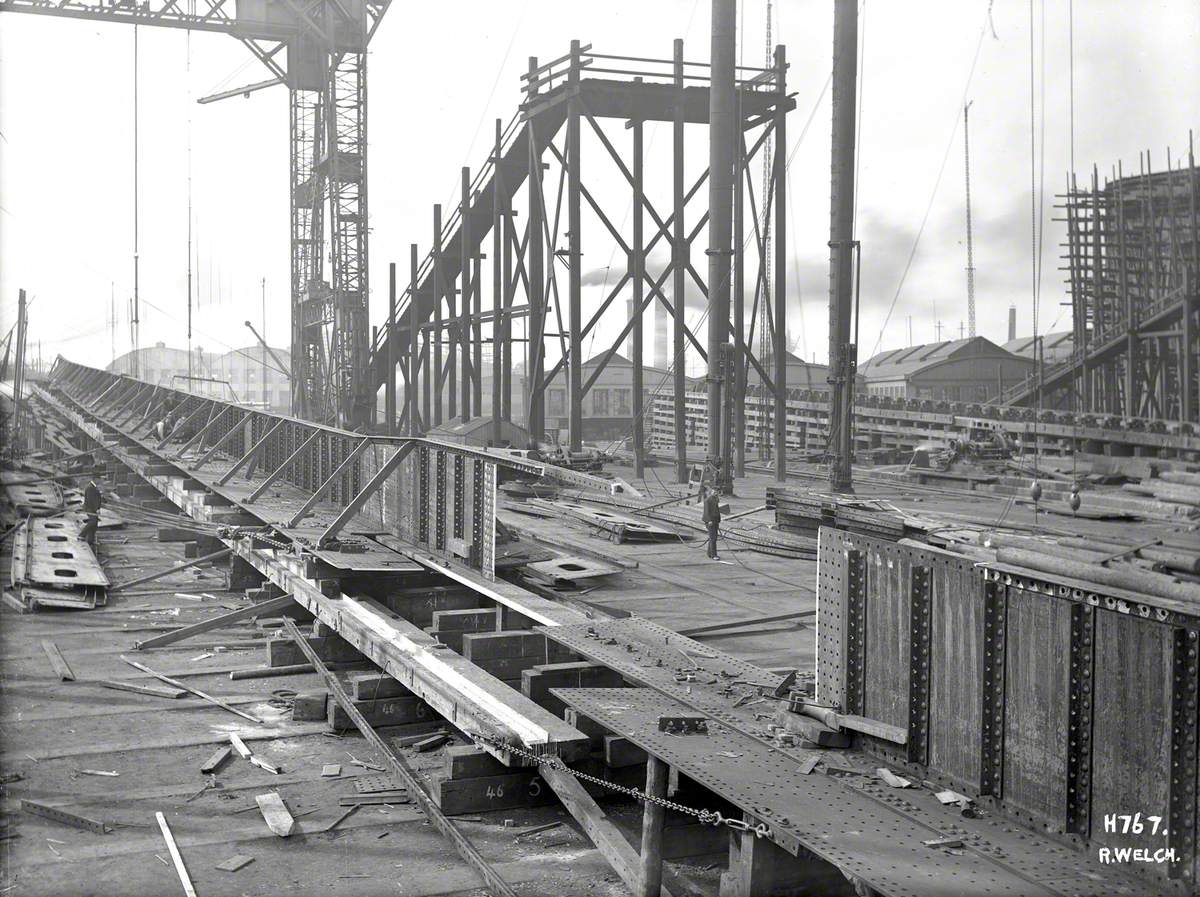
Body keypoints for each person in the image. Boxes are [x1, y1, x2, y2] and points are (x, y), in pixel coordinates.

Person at [701, 484, 722, 561]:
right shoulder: (708, 500)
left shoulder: (715, 499)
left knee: (713, 538)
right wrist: (709, 520)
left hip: (715, 521)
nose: (716, 493)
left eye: (717, 492)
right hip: (710, 521)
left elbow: (716, 511)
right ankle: (714, 555)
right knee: (713, 538)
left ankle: (709, 553)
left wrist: (718, 520)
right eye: (715, 491)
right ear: (711, 491)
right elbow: (706, 512)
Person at [80, 480, 102, 547]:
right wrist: (96, 509)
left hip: (92, 508)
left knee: (94, 524)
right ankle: (81, 535)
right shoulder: (90, 488)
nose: (100, 482)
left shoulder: (93, 487)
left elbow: (96, 497)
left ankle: (90, 540)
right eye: (99, 480)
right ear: (96, 480)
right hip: (89, 508)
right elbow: (91, 500)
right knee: (93, 521)